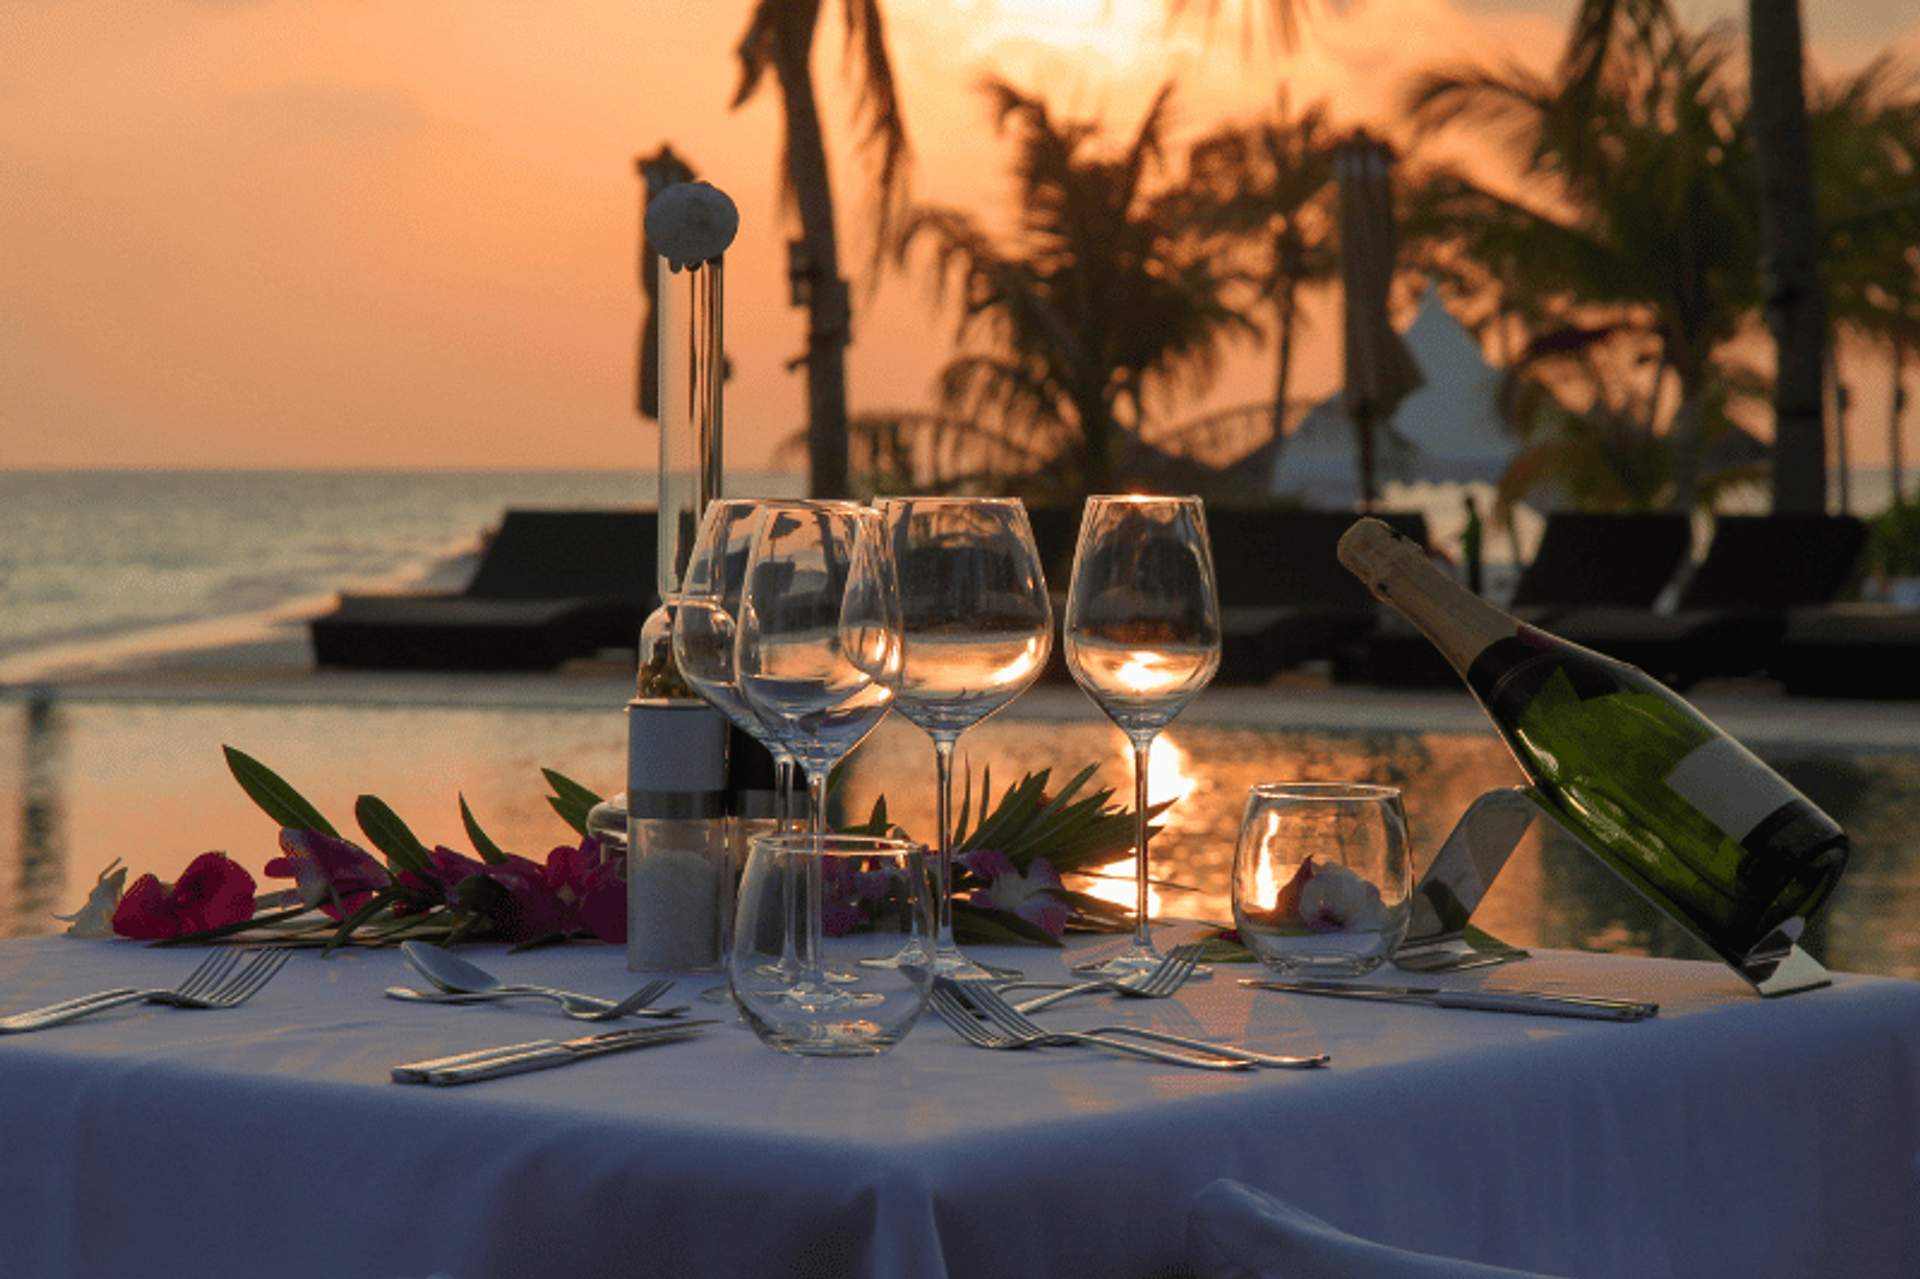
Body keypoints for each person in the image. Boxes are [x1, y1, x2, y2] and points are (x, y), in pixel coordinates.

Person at [1461, 492, 1484, 596]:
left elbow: (1472, 536)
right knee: (1474, 579)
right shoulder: (1474, 519)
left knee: (1474, 580)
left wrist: (1463, 537)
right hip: (1473, 554)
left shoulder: (1474, 519)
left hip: (1473, 554)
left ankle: (1476, 597)